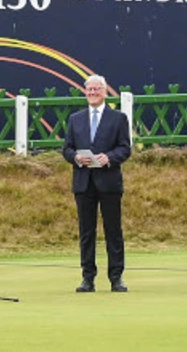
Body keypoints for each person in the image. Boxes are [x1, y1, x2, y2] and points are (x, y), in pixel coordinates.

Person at [60, 74, 131, 293]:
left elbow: (125, 148)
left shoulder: (117, 118)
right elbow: (67, 149)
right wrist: (75, 158)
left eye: (96, 90)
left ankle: (116, 277)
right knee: (86, 232)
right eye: (89, 90)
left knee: (113, 231)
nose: (92, 93)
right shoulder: (76, 119)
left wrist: (109, 157)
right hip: (84, 183)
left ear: (104, 91)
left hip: (109, 182)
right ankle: (87, 277)